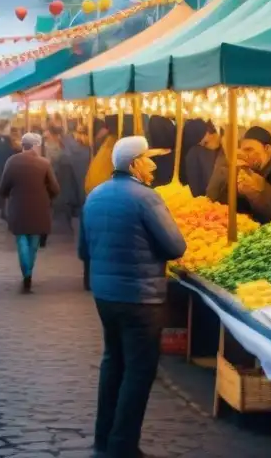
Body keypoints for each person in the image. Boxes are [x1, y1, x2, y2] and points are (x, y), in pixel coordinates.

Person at [79, 135, 186, 458]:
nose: (153, 165)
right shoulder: (147, 198)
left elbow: (84, 250)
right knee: (139, 370)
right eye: (148, 159)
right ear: (135, 163)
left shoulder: (95, 195)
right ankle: (123, 447)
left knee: (113, 362)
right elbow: (176, 246)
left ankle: (103, 441)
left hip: (105, 296)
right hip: (141, 298)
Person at [0, 133, 60, 293]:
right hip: (39, 208)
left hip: (18, 208)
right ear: (35, 146)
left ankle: (26, 273)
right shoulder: (44, 163)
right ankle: (28, 271)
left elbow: (3, 187)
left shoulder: (11, 162)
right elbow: (55, 188)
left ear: (23, 145)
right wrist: (47, 196)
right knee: (34, 242)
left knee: (21, 240)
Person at [183, 120, 223, 198]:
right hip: (208, 200)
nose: (203, 145)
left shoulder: (227, 148)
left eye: (205, 143)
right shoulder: (196, 153)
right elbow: (196, 190)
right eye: (204, 144)